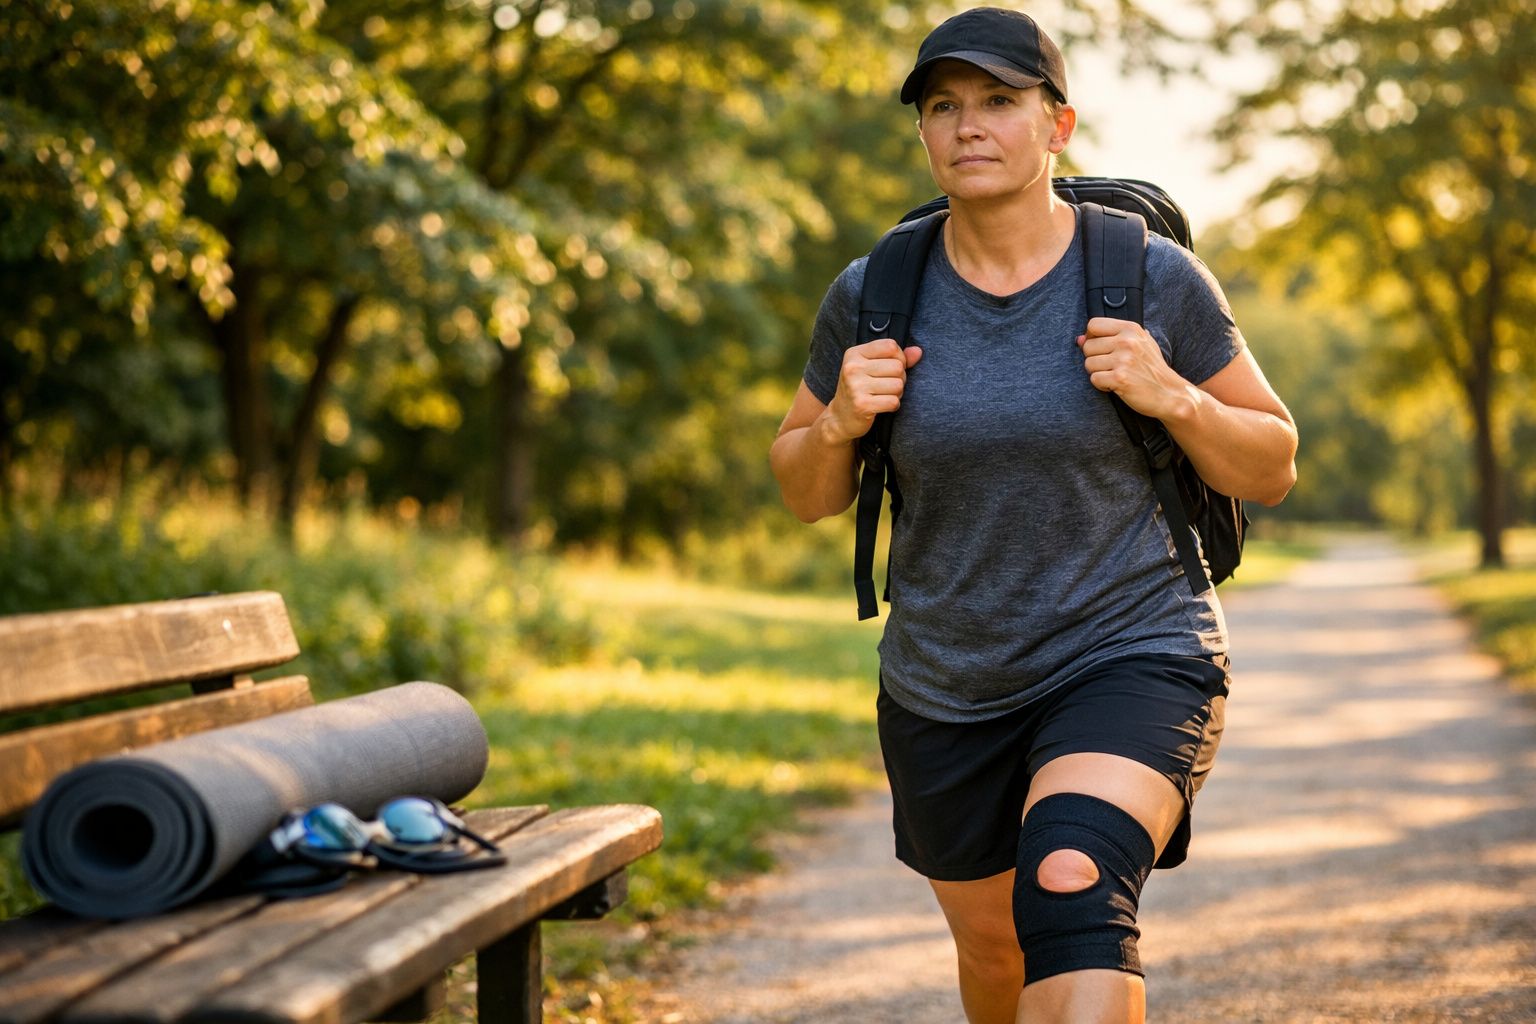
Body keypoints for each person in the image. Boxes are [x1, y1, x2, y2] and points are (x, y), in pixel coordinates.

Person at [768, 6, 1298, 1024]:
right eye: (943, 107)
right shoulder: (875, 292)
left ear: (1057, 124)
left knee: (1070, 882)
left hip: (1130, 645)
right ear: (923, 133)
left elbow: (1272, 460)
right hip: (946, 682)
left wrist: (1174, 395)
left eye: (999, 102)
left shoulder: (1145, 275)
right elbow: (805, 491)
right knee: (997, 952)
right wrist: (837, 420)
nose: (968, 127)